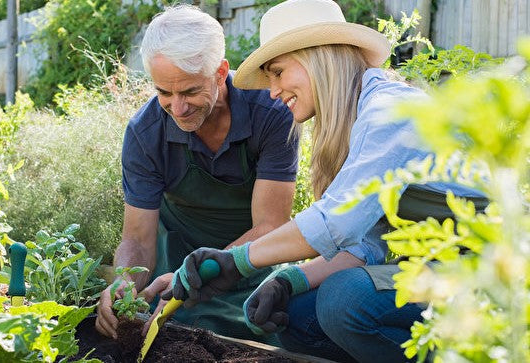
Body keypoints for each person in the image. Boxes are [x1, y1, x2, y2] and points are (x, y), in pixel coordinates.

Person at [164, 0, 489, 362]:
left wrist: (236, 260)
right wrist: (289, 281)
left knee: (344, 298)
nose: (272, 91)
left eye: (278, 72)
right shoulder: (356, 122)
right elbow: (365, 247)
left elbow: (336, 221)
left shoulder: (391, 111)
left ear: (318, 58)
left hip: (495, 274)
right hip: (441, 272)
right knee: (297, 313)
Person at [94, 4, 299, 343]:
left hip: (251, 259)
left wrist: (200, 274)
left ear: (220, 72)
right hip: (173, 262)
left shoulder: (270, 113)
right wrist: (124, 283)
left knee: (270, 335)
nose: (177, 108)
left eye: (189, 91)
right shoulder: (146, 134)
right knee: (171, 338)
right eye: (163, 92)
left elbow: (270, 225)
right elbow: (138, 239)